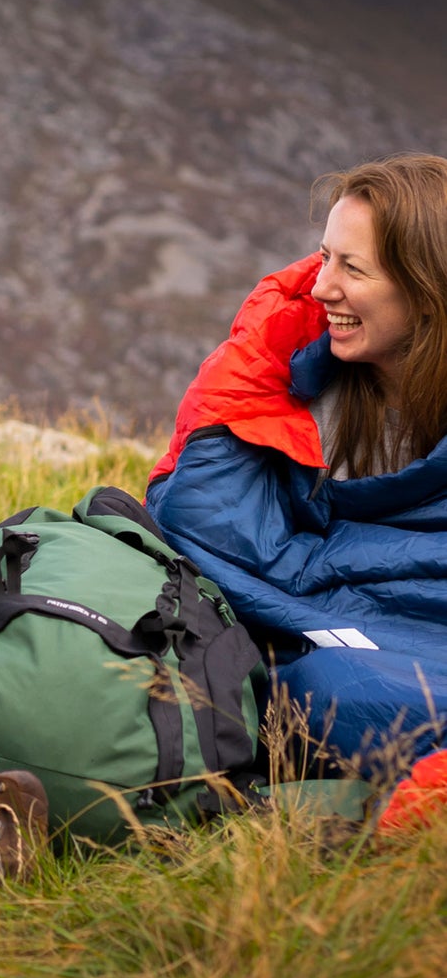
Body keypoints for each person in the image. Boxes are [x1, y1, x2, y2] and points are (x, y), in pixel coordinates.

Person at [146, 152, 447, 775]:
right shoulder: (295, 384)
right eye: (324, 255)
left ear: (425, 293)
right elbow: (206, 516)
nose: (320, 286)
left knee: (342, 692)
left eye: (352, 268)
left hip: (397, 642)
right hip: (321, 635)